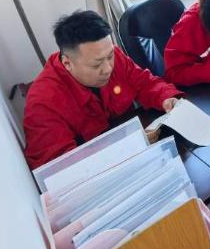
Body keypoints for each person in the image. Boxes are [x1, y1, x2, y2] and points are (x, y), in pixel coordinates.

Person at [23, 10, 182, 169]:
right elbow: (60, 165)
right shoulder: (43, 102)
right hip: (104, 168)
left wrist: (166, 98)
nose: (108, 69)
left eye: (110, 56)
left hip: (136, 151)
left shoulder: (113, 56)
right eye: (96, 64)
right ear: (67, 63)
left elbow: (145, 83)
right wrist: (125, 148)